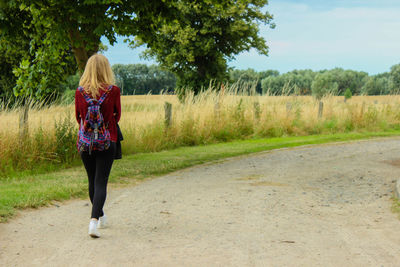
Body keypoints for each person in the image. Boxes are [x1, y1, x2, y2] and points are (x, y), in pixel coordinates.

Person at [74, 54, 121, 238]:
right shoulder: (113, 90)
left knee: (92, 180)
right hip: (107, 140)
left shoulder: (80, 92)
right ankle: (94, 221)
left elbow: (78, 117)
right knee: (101, 181)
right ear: (106, 69)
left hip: (86, 143)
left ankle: (99, 217)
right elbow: (117, 116)